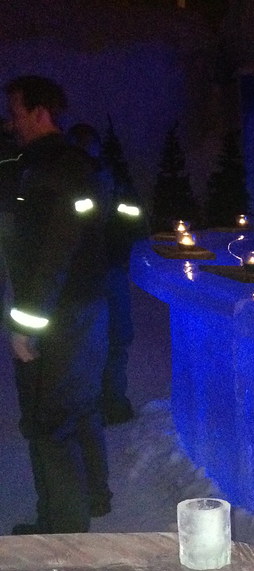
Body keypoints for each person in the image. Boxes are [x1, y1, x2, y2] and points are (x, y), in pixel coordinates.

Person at [2, 75, 110, 534]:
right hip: (80, 306)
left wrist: (28, 323)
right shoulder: (64, 163)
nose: (11, 122)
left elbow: (55, 249)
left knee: (49, 420)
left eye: (16, 112)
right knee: (78, 408)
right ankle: (93, 497)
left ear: (40, 111)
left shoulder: (53, 166)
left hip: (60, 313)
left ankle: (62, 532)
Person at [67, 122, 145, 425]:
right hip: (86, 275)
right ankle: (96, 406)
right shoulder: (72, 181)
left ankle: (110, 404)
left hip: (106, 270)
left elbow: (134, 220)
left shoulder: (111, 180)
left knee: (115, 338)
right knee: (94, 341)